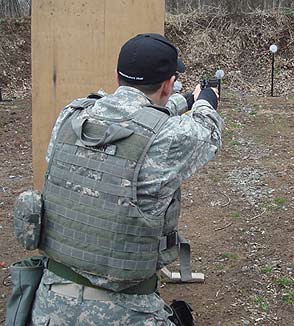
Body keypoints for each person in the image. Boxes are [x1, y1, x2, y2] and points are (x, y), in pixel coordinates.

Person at [29, 33, 223, 325]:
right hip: (126, 313)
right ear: (168, 84)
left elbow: (132, 118)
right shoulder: (169, 138)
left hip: (48, 305)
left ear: (117, 76)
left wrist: (184, 100)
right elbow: (207, 130)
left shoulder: (72, 116)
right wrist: (206, 100)